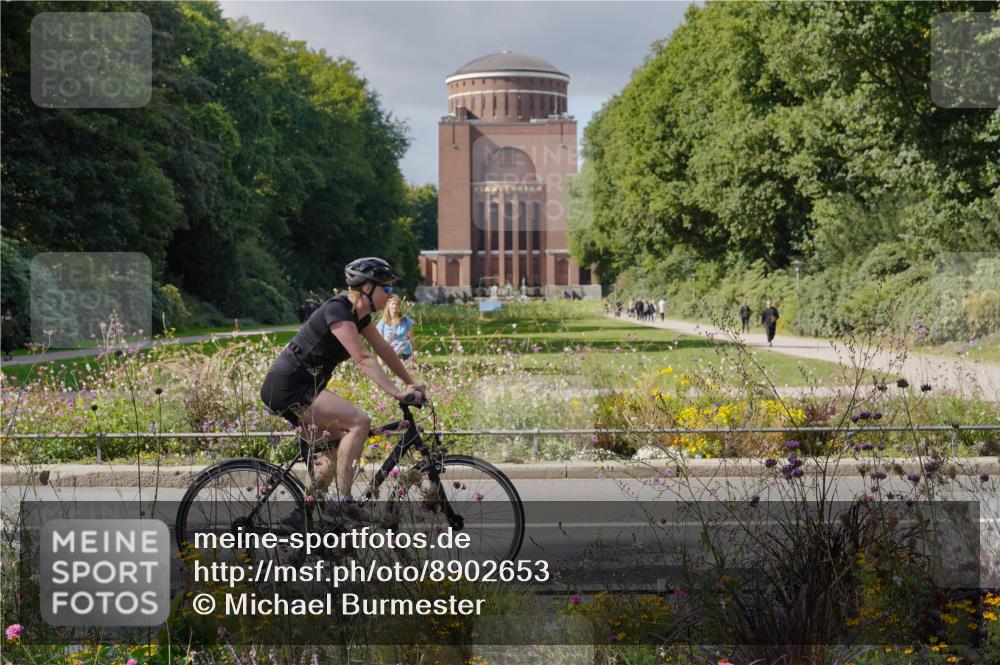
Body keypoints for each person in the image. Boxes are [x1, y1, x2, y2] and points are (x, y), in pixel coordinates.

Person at [259, 257, 426, 525]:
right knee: (359, 421)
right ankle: (341, 502)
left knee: (335, 447)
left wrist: (411, 382)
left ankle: (303, 514)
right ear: (367, 288)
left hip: (305, 387)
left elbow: (383, 350)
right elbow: (362, 357)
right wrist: (395, 393)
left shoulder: (359, 318)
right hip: (288, 386)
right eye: (387, 288)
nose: (391, 295)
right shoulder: (338, 311)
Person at [376, 294, 415, 360]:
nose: (395, 306)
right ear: (388, 305)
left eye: (397, 304)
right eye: (393, 304)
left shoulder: (405, 320)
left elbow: (412, 339)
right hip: (389, 356)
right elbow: (379, 345)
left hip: (406, 355)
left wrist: (414, 354)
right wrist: (381, 362)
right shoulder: (382, 323)